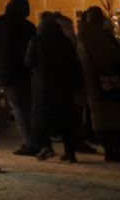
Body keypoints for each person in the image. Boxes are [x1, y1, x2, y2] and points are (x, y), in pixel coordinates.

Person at [77, 6, 120, 162]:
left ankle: (109, 150)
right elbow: (113, 56)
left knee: (100, 117)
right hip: (110, 80)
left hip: (93, 83)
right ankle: (118, 149)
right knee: (114, 115)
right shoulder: (103, 36)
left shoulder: (83, 37)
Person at [25, 11, 84, 162]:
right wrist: (77, 82)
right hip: (64, 84)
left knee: (40, 117)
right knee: (66, 118)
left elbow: (28, 63)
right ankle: (70, 152)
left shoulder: (36, 40)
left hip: (43, 85)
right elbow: (74, 63)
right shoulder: (64, 41)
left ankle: (45, 146)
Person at [0, 0, 38, 156]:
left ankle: (31, 142)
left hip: (8, 71)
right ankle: (37, 140)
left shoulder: (0, 23)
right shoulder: (30, 26)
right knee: (29, 107)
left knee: (19, 109)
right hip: (26, 71)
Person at [55, 13, 98, 154]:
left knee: (78, 113)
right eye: (68, 28)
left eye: (71, 27)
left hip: (75, 82)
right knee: (73, 114)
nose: (71, 31)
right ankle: (74, 144)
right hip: (69, 83)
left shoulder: (73, 41)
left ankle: (77, 142)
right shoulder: (63, 43)